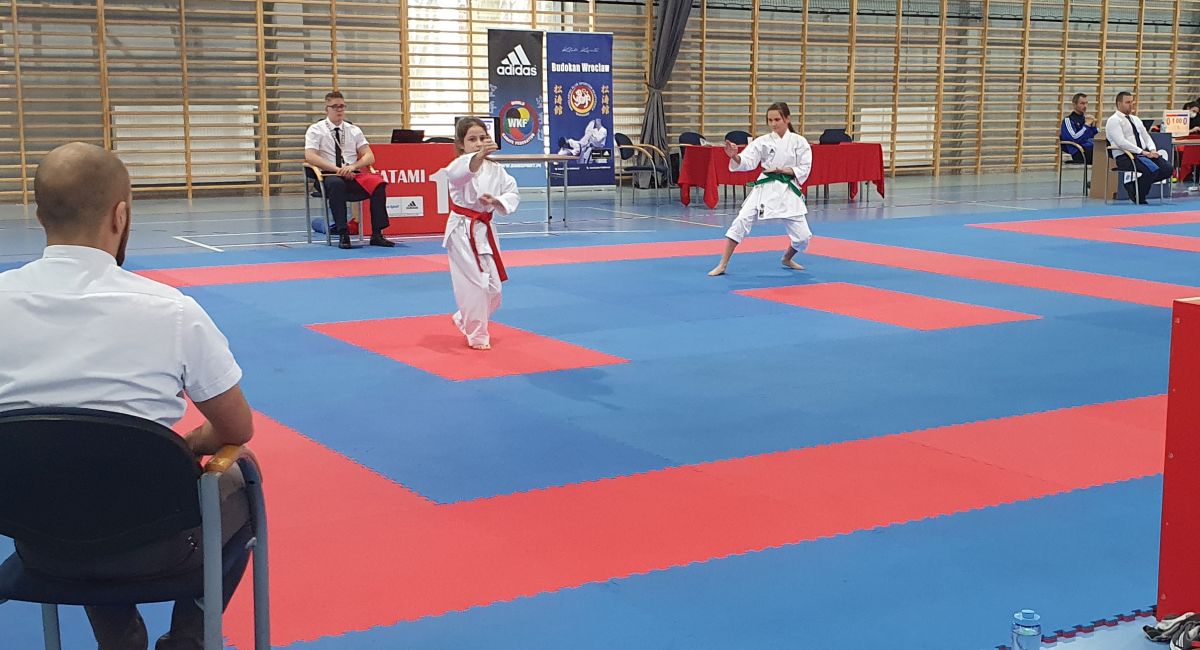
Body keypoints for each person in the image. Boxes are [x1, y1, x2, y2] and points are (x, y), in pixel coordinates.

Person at [0, 142, 255, 650]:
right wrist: (181, 447)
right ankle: (190, 636)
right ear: (121, 215)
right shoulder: (172, 311)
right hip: (161, 546)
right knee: (239, 475)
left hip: (39, 543)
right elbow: (236, 428)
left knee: (70, 476)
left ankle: (119, 636)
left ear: (39, 215)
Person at [438, 117, 520, 350]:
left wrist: (497, 201)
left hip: (484, 228)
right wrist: (479, 155)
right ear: (461, 144)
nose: (478, 143)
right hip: (461, 229)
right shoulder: (458, 165)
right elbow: (461, 174)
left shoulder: (496, 169)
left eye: (483, 138)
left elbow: (513, 193)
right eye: (472, 139)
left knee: (494, 288)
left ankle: (463, 318)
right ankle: (477, 335)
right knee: (474, 285)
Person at [708, 101, 813, 276]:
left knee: (803, 237)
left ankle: (787, 258)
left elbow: (805, 167)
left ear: (787, 119)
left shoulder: (799, 142)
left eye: (777, 119)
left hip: (787, 188)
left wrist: (784, 170)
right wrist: (735, 157)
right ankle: (723, 264)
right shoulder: (763, 141)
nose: (773, 124)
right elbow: (747, 160)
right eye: (770, 120)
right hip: (765, 186)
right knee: (741, 220)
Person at [304, 91, 396, 249]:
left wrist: (353, 167)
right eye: (335, 106)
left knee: (378, 183)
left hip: (352, 174)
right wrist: (337, 169)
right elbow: (310, 156)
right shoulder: (315, 130)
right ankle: (343, 233)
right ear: (326, 109)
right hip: (328, 175)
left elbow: (369, 156)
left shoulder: (353, 130)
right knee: (337, 184)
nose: (339, 109)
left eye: (342, 106)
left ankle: (377, 233)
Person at [1105, 91, 1174, 205]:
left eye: (1132, 102)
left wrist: (1152, 150)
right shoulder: (1114, 120)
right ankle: (1139, 196)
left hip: (1142, 155)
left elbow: (1146, 137)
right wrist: (1142, 152)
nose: (1131, 105)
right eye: (1128, 102)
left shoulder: (1135, 119)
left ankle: (1133, 185)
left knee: (1167, 169)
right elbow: (1121, 142)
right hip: (1126, 156)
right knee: (1152, 169)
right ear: (1119, 103)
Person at [1060, 93, 1098, 164]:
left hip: (1091, 149)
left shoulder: (1086, 119)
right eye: (1082, 103)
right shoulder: (1068, 120)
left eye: (1086, 103)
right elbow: (1074, 138)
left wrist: (1094, 127)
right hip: (1079, 152)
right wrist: (1086, 126)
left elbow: (1095, 137)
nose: (1085, 106)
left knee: (1106, 148)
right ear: (1074, 104)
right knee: (1102, 156)